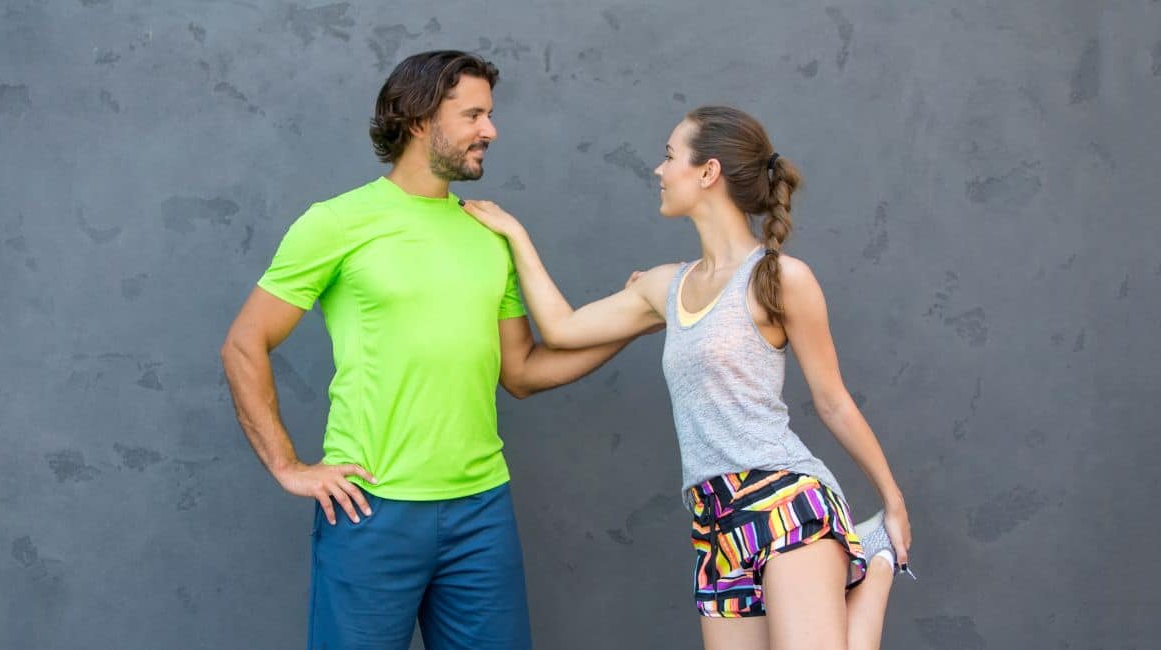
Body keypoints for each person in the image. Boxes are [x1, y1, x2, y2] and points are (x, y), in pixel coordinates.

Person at [220, 50, 645, 650]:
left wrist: (630, 323)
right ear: (419, 120)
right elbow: (245, 341)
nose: (490, 131)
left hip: (481, 511)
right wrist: (288, 466)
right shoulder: (337, 222)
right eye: (473, 115)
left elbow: (521, 371)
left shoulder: (486, 233)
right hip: (371, 509)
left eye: (489, 115)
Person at [462, 105, 914, 649]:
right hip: (712, 518)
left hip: (784, 500)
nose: (658, 169)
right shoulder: (663, 288)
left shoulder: (780, 279)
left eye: (669, 155)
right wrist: (514, 233)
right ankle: (875, 556)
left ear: (708, 172)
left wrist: (892, 500)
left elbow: (833, 400)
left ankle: (878, 558)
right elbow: (560, 329)